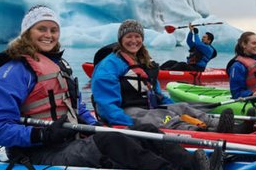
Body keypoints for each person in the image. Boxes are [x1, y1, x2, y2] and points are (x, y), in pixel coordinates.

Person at [0, 5, 217, 170]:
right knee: (113, 141)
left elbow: (77, 106)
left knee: (143, 129)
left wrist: (94, 128)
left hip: (69, 139)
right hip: (38, 152)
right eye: (41, 29)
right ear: (27, 33)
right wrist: (42, 134)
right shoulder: (10, 72)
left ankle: (192, 164)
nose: (49, 35)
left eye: (53, 30)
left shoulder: (56, 64)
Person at [91, 19, 236, 133]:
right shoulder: (109, 65)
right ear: (121, 40)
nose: (133, 41)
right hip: (125, 110)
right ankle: (199, 132)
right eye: (129, 36)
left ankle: (223, 126)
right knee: (158, 116)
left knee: (182, 107)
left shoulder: (144, 61)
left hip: (148, 107)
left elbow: (158, 94)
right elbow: (106, 105)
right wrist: (128, 125)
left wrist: (172, 106)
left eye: (137, 36)